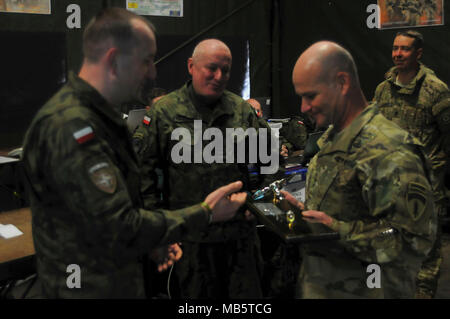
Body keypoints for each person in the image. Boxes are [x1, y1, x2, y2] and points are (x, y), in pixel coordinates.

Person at [21, 8, 247, 299]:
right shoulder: (71, 125)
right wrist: (204, 213)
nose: (152, 72)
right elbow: (120, 226)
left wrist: (151, 240)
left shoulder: (102, 119)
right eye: (147, 61)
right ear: (114, 60)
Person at [284, 41, 437, 298]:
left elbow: (413, 241)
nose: (303, 108)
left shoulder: (389, 150)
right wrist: (310, 218)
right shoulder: (333, 139)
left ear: (342, 83)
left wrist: (337, 230)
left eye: (310, 96)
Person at [133, 39, 276, 298]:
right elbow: (144, 176)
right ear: (191, 66)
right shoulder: (165, 112)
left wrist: (257, 205)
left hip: (239, 240)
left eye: (226, 70)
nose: (219, 76)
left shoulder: (241, 110)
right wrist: (161, 230)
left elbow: (270, 159)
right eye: (211, 68)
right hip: (192, 240)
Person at [373, 30, 450, 298]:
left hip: (425, 190)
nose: (397, 54)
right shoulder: (383, 89)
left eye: (404, 49)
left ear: (418, 53)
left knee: (426, 261)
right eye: (395, 48)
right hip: (389, 190)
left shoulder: (435, 90)